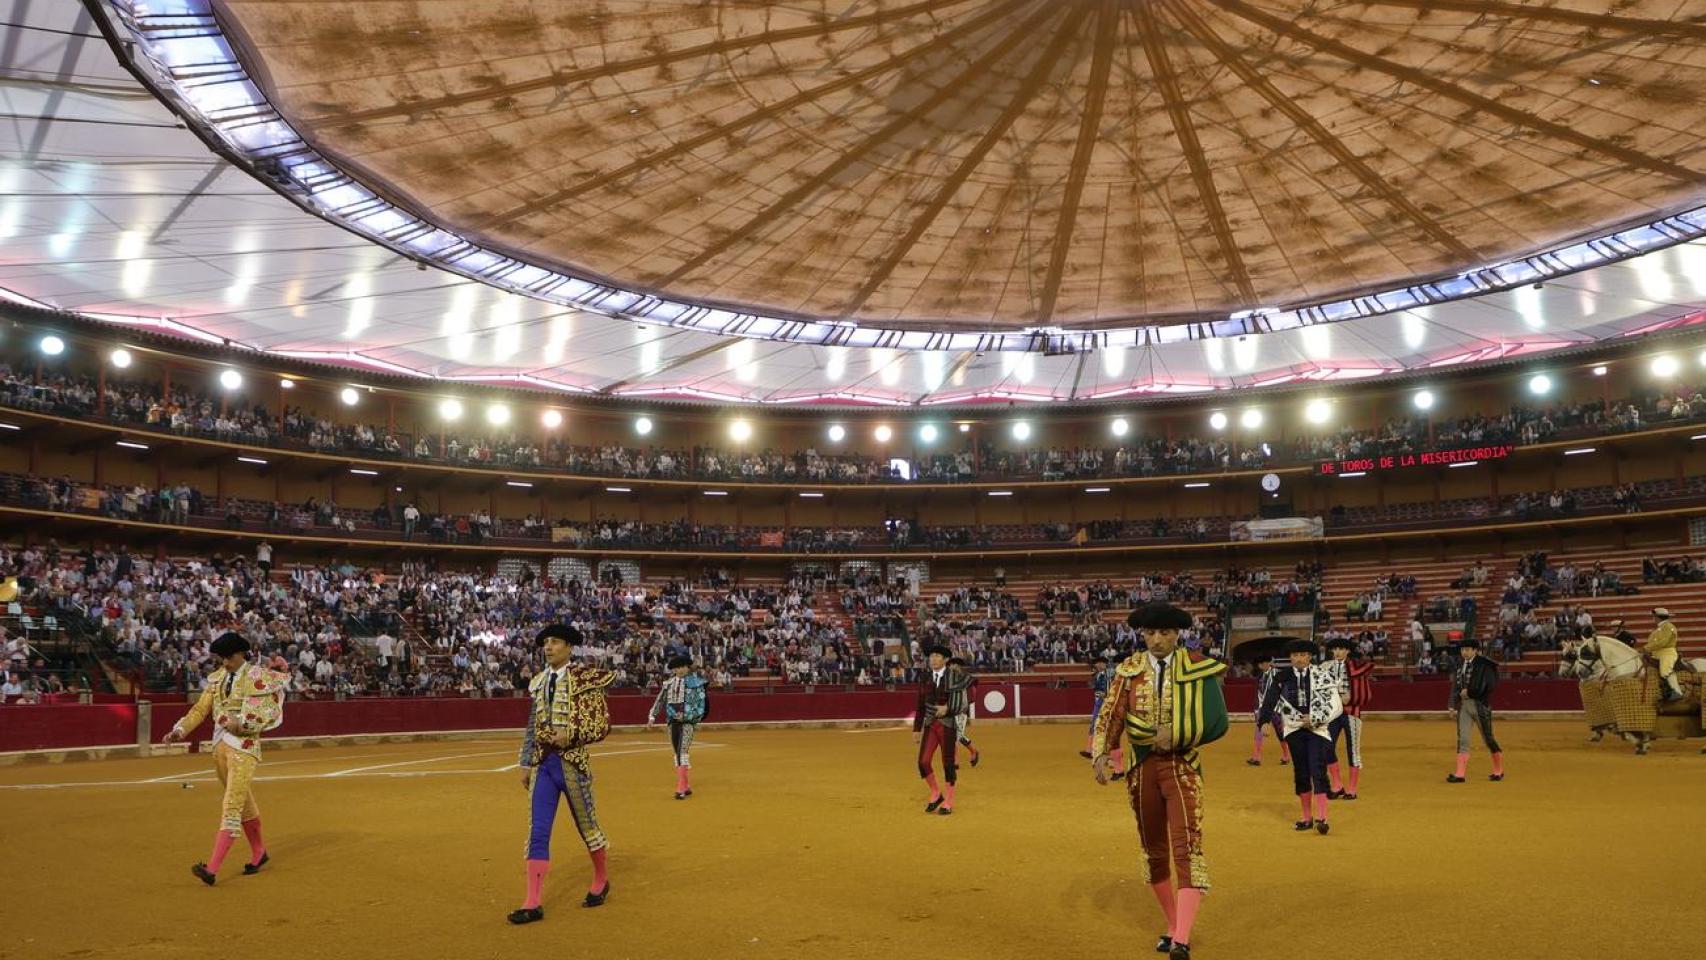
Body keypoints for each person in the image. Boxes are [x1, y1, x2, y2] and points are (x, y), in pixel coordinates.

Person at [1091, 603, 1228, 960]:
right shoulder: (1128, 670)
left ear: (1177, 634)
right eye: (1150, 633)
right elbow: (1111, 712)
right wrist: (1101, 752)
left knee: (1186, 847)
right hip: (1141, 770)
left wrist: (1179, 733)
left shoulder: (1198, 667)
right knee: (1153, 851)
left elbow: (1217, 720)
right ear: (1141, 635)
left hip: (1182, 766)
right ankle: (1173, 925)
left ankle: (1181, 938)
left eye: (1164, 633)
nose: (1157, 640)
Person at [161, 632, 288, 885]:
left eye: (228, 657)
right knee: (244, 804)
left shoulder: (258, 677)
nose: (225, 662)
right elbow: (200, 709)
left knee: (231, 805)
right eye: (222, 658)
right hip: (219, 747)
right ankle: (259, 852)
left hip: (244, 747)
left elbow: (267, 711)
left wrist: (240, 724)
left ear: (241, 654)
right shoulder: (217, 679)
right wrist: (180, 730)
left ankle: (212, 868)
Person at [509, 624, 615, 924]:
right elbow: (532, 725)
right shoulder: (539, 681)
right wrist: (525, 761)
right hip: (544, 765)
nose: (548, 647)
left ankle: (601, 878)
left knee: (587, 826)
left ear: (569, 647)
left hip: (573, 764)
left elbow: (602, 724)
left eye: (555, 642)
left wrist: (572, 734)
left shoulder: (585, 679)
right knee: (537, 831)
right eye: (545, 642)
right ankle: (532, 902)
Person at [1255, 639, 1342, 834]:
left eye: (1302, 655)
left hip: (1316, 729)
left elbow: (1335, 703)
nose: (1299, 659)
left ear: (1310, 657)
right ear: (1290, 658)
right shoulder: (1282, 677)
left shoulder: (1321, 675)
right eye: (1295, 656)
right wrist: (1264, 721)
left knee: (1317, 769)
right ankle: (1306, 817)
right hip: (1294, 729)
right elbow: (1269, 700)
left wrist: (1316, 718)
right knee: (1301, 772)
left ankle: (1322, 817)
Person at [912, 644, 971, 815]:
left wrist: (948, 709)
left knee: (948, 762)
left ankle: (949, 801)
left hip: (948, 724)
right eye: (931, 657)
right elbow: (920, 704)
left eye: (937, 656)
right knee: (923, 761)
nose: (933, 659)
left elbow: (962, 702)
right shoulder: (925, 677)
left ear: (945, 659)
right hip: (930, 724)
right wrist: (916, 728)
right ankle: (936, 792)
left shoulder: (954, 676)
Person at [646, 655, 709, 800]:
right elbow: (660, 701)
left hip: (687, 723)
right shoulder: (668, 684)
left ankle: (680, 787)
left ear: (688, 667)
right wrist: (652, 717)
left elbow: (701, 707)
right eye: (677, 668)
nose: (680, 670)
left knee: (682, 752)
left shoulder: (697, 684)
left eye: (682, 667)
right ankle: (686, 786)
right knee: (677, 752)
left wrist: (687, 716)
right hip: (672, 722)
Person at [1323, 637, 1374, 800]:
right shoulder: (1326, 667)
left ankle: (1352, 789)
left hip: (1351, 712)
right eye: (1335, 649)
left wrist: (1351, 696)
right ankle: (1337, 785)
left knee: (1353, 750)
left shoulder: (1356, 666)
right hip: (1333, 713)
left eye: (1341, 649)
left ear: (1348, 651)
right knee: (1327, 747)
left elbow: (1361, 684)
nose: (1337, 652)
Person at [1447, 638, 1503, 783]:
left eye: (1467, 649)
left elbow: (1490, 685)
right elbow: (1455, 686)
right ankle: (1460, 774)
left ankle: (1498, 770)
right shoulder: (1460, 665)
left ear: (1475, 650)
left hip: (1480, 705)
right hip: (1464, 706)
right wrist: (1452, 705)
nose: (1464, 652)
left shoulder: (1485, 665)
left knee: (1488, 739)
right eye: (1462, 650)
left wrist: (1471, 692)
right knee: (1463, 739)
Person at [1246, 657, 1290, 767]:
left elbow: (1280, 692)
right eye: (1261, 664)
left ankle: (1286, 754)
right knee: (1259, 729)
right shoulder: (1262, 675)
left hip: (1275, 708)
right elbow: (1260, 692)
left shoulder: (1276, 674)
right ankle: (1256, 757)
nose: (1263, 665)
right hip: (1264, 707)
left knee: (1280, 732)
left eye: (1265, 663)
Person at [1642, 608, 1684, 702]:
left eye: (1654, 617)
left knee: (1665, 670)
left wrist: (1647, 648)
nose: (1653, 619)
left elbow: (1663, 642)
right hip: (1656, 654)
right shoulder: (1658, 629)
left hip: (1667, 653)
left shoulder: (1669, 627)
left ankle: (1677, 692)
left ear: (1658, 617)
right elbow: (1652, 642)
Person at [947, 656, 981, 768]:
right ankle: (973, 751)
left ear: (957, 666)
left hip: (961, 711)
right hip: (952, 710)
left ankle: (955, 760)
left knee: (956, 736)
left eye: (952, 665)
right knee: (959, 735)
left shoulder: (964, 678)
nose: (950, 666)